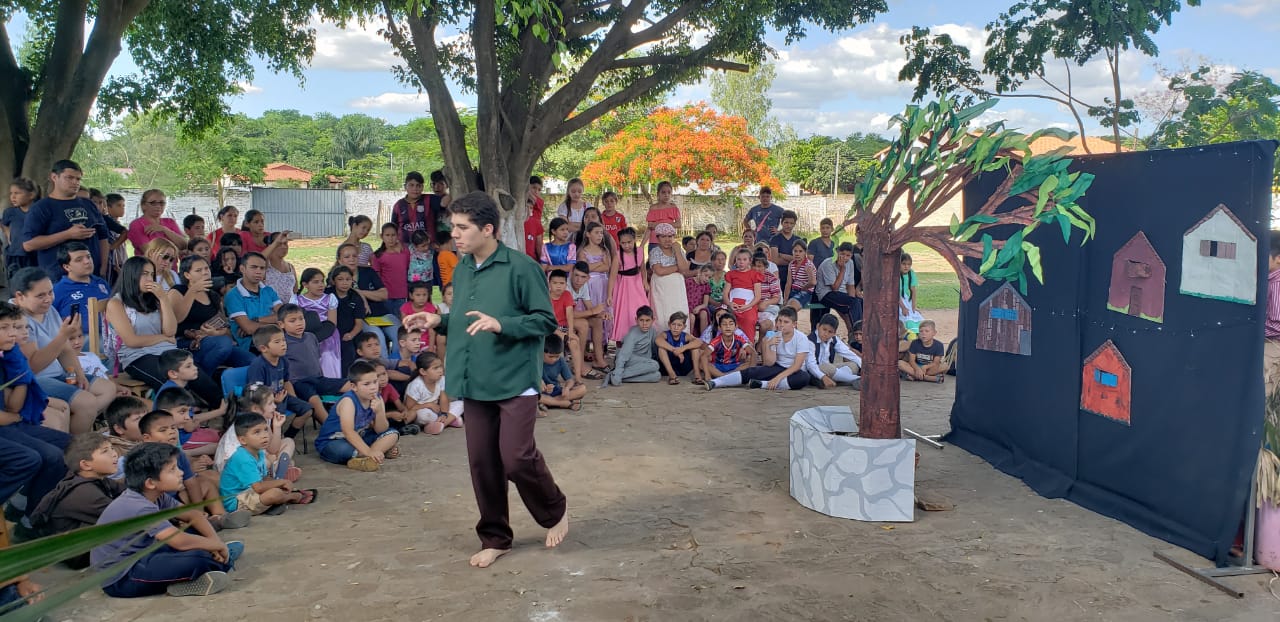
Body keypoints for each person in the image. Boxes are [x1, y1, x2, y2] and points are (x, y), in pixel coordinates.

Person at [406, 191, 567, 568]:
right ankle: (496, 537)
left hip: (514, 377)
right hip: (475, 377)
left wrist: (503, 324)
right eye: (454, 227)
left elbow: (546, 321)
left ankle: (554, 509)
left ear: (489, 229)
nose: (455, 235)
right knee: (482, 461)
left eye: (463, 228)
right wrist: (437, 320)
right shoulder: (463, 268)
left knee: (515, 457)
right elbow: (464, 317)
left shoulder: (521, 267)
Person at [91, 442, 241, 598]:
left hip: (147, 554)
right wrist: (216, 546)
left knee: (196, 529)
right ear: (150, 482)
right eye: (172, 470)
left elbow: (193, 515)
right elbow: (180, 542)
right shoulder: (138, 506)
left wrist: (216, 543)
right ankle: (214, 564)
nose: (180, 473)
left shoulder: (156, 495)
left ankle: (216, 558)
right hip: (124, 577)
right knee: (199, 558)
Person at [107, 257, 222, 406]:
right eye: (144, 274)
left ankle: (224, 409)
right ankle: (187, 413)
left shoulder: (154, 299)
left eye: (151, 274)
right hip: (137, 356)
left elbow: (171, 330)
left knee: (194, 373)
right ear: (131, 275)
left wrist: (163, 299)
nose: (149, 278)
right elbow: (132, 341)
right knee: (172, 377)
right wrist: (163, 338)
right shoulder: (116, 303)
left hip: (166, 350)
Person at [13, 267, 116, 433]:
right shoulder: (17, 319)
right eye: (40, 295)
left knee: (107, 388)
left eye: (50, 293)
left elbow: (66, 350)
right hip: (36, 379)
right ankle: (76, 445)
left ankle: (76, 426)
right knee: (86, 402)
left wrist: (77, 374)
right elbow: (33, 366)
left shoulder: (49, 310)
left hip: (58, 373)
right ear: (20, 296)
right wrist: (62, 336)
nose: (48, 299)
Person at [0, 301, 71, 532]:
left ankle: (30, 513)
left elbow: (13, 407)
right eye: (5, 328)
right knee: (36, 457)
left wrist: (21, 373)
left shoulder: (8, 357)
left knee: (70, 446)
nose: (13, 333)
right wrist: (12, 418)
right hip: (6, 427)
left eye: (15, 327)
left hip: (11, 424)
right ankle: (27, 517)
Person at [29, 433, 124, 567]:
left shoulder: (92, 478)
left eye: (112, 448)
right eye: (105, 451)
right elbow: (125, 516)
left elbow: (126, 490)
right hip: (78, 554)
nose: (114, 454)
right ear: (85, 465)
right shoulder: (84, 493)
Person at [23, 160, 109, 279]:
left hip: (92, 276)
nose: (75, 182)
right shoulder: (41, 207)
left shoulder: (88, 204)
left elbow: (103, 237)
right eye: (69, 178)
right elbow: (28, 244)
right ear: (54, 177)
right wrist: (67, 234)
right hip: (58, 278)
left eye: (78, 179)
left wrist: (103, 267)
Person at [170, 255, 255, 374]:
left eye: (206, 269)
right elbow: (177, 319)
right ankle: (200, 376)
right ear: (187, 275)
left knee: (252, 361)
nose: (205, 273)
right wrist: (193, 291)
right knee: (223, 344)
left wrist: (218, 332)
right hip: (186, 343)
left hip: (213, 341)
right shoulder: (178, 291)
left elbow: (226, 328)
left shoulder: (213, 295)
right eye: (198, 270)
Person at [219, 413, 316, 516]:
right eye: (257, 432)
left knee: (276, 487)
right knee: (275, 493)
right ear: (243, 440)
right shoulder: (242, 458)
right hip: (237, 501)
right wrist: (282, 482)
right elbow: (259, 487)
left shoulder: (259, 451)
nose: (265, 435)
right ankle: (292, 497)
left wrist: (278, 483)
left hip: (250, 492)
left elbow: (264, 478)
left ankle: (275, 503)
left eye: (265, 429)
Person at [314, 360, 400, 471]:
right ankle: (374, 453)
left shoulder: (377, 397)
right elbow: (348, 432)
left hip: (360, 437)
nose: (373, 387)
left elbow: (381, 430)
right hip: (334, 441)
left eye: (375, 382)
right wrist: (369, 451)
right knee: (343, 450)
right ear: (354, 387)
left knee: (392, 434)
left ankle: (367, 458)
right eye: (367, 384)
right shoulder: (348, 401)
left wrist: (379, 412)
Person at [706, 306, 811, 391]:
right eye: (780, 321)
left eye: (786, 322)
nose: (781, 324)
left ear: (794, 324)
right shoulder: (775, 335)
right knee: (752, 371)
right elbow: (769, 363)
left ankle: (763, 385)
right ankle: (716, 382)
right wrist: (769, 345)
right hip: (778, 367)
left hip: (794, 371)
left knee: (803, 378)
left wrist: (777, 378)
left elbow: (797, 366)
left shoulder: (801, 338)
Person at [246, 325, 322, 437]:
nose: (283, 344)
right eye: (277, 342)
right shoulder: (258, 366)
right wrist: (273, 400)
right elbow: (255, 392)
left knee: (307, 410)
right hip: (265, 401)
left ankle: (288, 436)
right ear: (263, 348)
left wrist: (294, 398)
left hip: (282, 396)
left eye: (283, 340)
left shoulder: (283, 361)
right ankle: (273, 438)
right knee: (276, 415)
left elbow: (286, 381)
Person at [213, 384, 298, 478]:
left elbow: (273, 449)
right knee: (267, 461)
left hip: (253, 457)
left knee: (288, 442)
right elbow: (247, 456)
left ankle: (277, 468)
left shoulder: (263, 418)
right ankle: (277, 470)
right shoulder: (248, 426)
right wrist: (270, 459)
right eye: (270, 403)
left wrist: (277, 427)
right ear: (255, 409)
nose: (275, 406)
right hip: (232, 470)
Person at [335, 242, 400, 359]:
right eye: (347, 257)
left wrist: (359, 292)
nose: (352, 260)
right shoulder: (336, 277)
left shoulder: (368, 272)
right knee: (377, 339)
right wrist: (370, 294)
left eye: (355, 256)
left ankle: (397, 366)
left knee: (400, 335)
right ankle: (383, 371)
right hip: (362, 318)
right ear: (339, 260)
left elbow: (384, 294)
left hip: (382, 315)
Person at [224, 252, 282, 350]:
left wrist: (257, 320)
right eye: (254, 267)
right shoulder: (233, 295)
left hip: (275, 338)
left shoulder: (268, 290)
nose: (258, 271)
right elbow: (249, 329)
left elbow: (283, 315)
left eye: (262, 268)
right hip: (252, 343)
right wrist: (278, 325)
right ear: (242, 269)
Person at [52, 241, 112, 335]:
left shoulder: (101, 282)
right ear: (67, 267)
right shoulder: (58, 290)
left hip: (111, 335)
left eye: (88, 257)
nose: (87, 261)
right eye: (79, 260)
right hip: (80, 340)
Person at [294, 267, 343, 377]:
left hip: (327, 334)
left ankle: (330, 383)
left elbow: (332, 323)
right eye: (316, 282)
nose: (321, 285)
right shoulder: (297, 301)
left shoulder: (330, 298)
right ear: (305, 284)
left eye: (322, 281)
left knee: (327, 356)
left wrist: (318, 338)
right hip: (305, 334)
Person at [404, 351, 462, 434]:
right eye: (435, 368)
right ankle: (449, 420)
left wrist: (444, 414)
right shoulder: (416, 385)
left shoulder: (442, 379)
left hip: (437, 410)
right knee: (424, 415)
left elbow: (444, 398)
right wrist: (429, 405)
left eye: (441, 367)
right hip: (422, 411)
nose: (440, 370)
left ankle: (439, 424)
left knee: (461, 404)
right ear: (423, 372)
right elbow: (410, 408)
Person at [603, 306, 662, 386]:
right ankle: (616, 375)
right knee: (655, 365)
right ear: (636, 320)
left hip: (642, 363)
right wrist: (618, 371)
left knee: (657, 376)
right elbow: (623, 355)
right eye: (641, 320)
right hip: (629, 360)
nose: (644, 324)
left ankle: (619, 377)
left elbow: (655, 349)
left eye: (647, 320)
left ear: (653, 320)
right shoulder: (632, 334)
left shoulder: (652, 331)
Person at [569, 260, 610, 376]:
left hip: (569, 318)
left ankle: (598, 360)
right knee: (583, 324)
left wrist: (600, 314)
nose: (578, 280)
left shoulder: (584, 285)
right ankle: (579, 365)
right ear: (572, 273)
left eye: (582, 277)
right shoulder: (565, 285)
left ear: (587, 278)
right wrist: (593, 311)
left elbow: (590, 308)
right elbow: (568, 314)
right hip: (559, 319)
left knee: (597, 321)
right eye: (576, 275)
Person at [648, 223, 691, 331]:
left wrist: (677, 251)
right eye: (663, 236)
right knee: (662, 313)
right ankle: (662, 340)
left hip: (677, 290)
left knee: (679, 311)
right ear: (657, 238)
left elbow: (685, 268)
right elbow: (660, 271)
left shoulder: (678, 250)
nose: (667, 239)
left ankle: (681, 340)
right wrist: (677, 267)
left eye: (670, 236)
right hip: (662, 289)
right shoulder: (655, 252)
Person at [815, 242, 863, 335]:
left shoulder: (850, 263)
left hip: (842, 294)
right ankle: (859, 332)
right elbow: (834, 288)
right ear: (837, 252)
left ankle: (856, 333)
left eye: (848, 255)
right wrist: (842, 270)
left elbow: (850, 286)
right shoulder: (828, 263)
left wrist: (851, 299)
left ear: (851, 255)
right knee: (854, 304)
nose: (844, 257)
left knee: (859, 302)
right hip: (826, 294)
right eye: (842, 254)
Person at [806, 314, 862, 389]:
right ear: (818, 326)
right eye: (824, 329)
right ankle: (855, 379)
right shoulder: (810, 341)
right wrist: (823, 377)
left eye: (830, 332)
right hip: (815, 372)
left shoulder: (834, 339)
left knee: (853, 365)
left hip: (831, 370)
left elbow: (849, 353)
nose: (826, 334)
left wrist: (864, 368)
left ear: (834, 333)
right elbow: (811, 365)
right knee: (825, 367)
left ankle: (839, 378)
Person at [698, 311, 754, 382]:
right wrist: (707, 374)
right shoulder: (716, 341)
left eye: (731, 324)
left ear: (736, 327)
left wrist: (753, 372)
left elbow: (753, 352)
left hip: (734, 366)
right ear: (719, 328)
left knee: (749, 363)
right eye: (724, 324)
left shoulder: (740, 339)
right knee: (702, 364)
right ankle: (727, 378)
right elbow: (703, 356)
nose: (728, 327)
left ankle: (723, 378)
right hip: (718, 366)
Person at [127, 190, 186, 255]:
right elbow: (150, 253)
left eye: (162, 203)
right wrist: (178, 252)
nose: (158, 206)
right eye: (153, 203)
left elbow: (184, 245)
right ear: (143, 205)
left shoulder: (170, 222)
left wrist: (164, 229)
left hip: (171, 265)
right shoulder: (137, 225)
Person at [724, 248, 764, 342]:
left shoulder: (754, 275)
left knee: (749, 320)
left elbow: (758, 296)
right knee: (727, 319)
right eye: (739, 259)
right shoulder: (731, 274)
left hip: (749, 306)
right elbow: (725, 293)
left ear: (750, 261)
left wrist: (747, 306)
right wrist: (730, 304)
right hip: (733, 305)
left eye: (744, 259)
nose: (741, 262)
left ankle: (749, 346)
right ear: (735, 261)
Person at [371, 223, 410, 315]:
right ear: (382, 236)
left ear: (397, 236)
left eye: (393, 235)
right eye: (387, 235)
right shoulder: (377, 256)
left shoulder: (404, 252)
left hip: (401, 295)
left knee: (400, 323)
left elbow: (408, 269)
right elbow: (376, 277)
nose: (390, 238)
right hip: (386, 295)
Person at [3, 177, 39, 279]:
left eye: (17, 193)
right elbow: (4, 224)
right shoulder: (10, 212)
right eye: (11, 193)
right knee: (16, 283)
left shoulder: (39, 211)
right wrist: (8, 235)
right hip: (14, 255)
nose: (12, 197)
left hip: (34, 255)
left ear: (31, 195)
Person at [539, 334, 586, 412]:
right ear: (541, 352)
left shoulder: (560, 361)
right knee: (533, 397)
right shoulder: (536, 361)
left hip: (556, 391)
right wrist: (543, 387)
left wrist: (567, 388)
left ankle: (550, 403)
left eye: (557, 356)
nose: (554, 359)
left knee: (582, 389)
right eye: (550, 356)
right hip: (541, 393)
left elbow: (570, 379)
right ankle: (566, 404)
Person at [656, 312, 702, 384]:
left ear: (684, 327)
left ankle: (697, 376)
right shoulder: (665, 334)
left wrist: (682, 349)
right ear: (669, 324)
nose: (676, 328)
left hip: (683, 366)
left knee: (695, 348)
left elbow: (699, 342)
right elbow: (658, 340)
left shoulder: (685, 336)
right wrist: (674, 350)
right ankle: (672, 376)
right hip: (669, 367)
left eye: (679, 325)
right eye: (673, 324)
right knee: (661, 349)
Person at [392, 171, 435, 247]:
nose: (415, 189)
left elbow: (445, 201)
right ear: (405, 186)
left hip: (427, 250)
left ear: (422, 187)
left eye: (418, 185)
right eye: (411, 185)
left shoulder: (430, 200)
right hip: (404, 249)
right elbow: (392, 228)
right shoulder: (398, 205)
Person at [644, 181, 681, 250]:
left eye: (669, 192)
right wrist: (642, 245)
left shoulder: (673, 208)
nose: (666, 195)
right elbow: (650, 226)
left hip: (669, 241)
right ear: (658, 194)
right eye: (663, 192)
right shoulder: (653, 208)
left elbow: (678, 224)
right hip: (654, 242)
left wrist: (658, 224)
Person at [262, 232, 297, 304]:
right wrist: (275, 243)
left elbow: (295, 290)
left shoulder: (290, 267)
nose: (284, 247)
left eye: (285, 243)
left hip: (289, 310)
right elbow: (258, 259)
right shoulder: (265, 265)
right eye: (279, 244)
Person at [783, 240, 818, 313]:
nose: (797, 254)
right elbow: (788, 283)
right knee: (785, 308)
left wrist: (803, 288)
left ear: (805, 252)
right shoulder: (791, 264)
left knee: (791, 308)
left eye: (800, 251)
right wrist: (785, 299)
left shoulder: (808, 265)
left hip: (806, 292)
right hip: (794, 290)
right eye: (795, 251)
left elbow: (813, 282)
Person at [1265, 231, 1280, 393]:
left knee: (1265, 371)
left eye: (1265, 255)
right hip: (1271, 338)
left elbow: (1277, 324)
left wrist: (1254, 331)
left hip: (1274, 342)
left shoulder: (1277, 283)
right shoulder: (1270, 279)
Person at [769, 210, 805, 275]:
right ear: (782, 223)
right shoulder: (775, 239)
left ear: (794, 224)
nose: (788, 225)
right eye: (786, 222)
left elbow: (802, 261)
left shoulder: (798, 240)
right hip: (779, 275)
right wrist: (794, 260)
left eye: (791, 223)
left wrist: (782, 255)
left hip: (795, 276)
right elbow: (775, 261)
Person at [899, 253, 924, 332]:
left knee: (916, 315)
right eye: (904, 264)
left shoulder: (911, 273)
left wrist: (913, 306)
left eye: (909, 264)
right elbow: (896, 294)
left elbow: (913, 291)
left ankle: (917, 332)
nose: (906, 266)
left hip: (907, 300)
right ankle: (909, 333)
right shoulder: (896, 275)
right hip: (899, 301)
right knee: (906, 316)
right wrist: (903, 308)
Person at [523, 176, 545, 261]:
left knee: (536, 249)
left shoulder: (539, 201)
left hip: (535, 229)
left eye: (539, 190)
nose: (536, 191)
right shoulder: (522, 200)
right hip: (526, 226)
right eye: (534, 188)